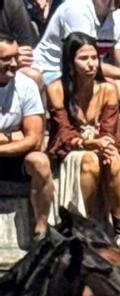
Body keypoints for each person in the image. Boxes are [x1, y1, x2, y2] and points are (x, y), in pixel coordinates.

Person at [47, 32, 120, 235]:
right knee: (89, 161)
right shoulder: (56, 89)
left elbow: (110, 130)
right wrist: (88, 143)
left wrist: (104, 144)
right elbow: (63, 133)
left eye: (94, 58)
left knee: (114, 161)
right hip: (71, 149)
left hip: (101, 144)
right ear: (70, 63)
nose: (91, 64)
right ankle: (85, 223)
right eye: (83, 58)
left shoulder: (107, 89)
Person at [31, 0, 120, 97]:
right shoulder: (76, 9)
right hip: (51, 71)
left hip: (87, 72)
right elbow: (82, 62)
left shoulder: (118, 17)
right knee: (115, 90)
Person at [0, 36, 50, 238]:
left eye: (15, 58)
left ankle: (41, 228)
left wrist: (3, 143)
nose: (13, 64)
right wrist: (14, 134)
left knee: (40, 162)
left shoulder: (26, 86)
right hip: (14, 146)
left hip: (16, 158)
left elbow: (34, 140)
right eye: (6, 59)